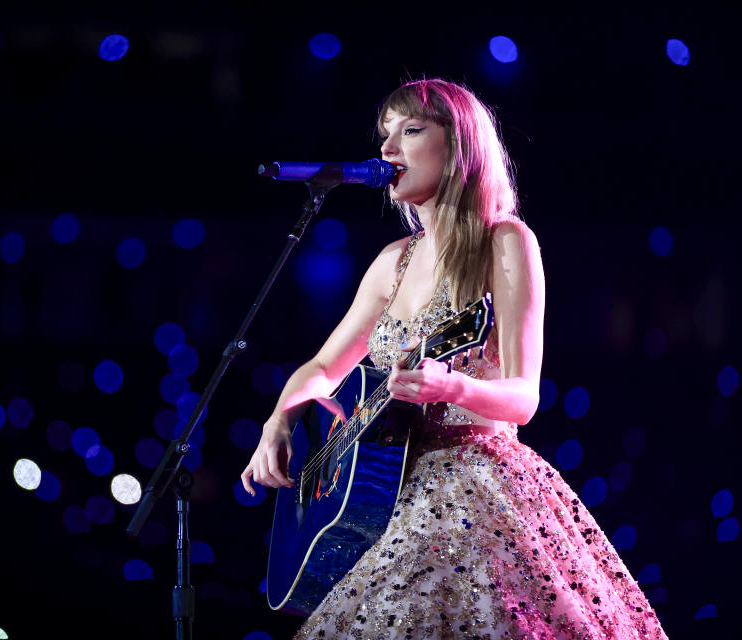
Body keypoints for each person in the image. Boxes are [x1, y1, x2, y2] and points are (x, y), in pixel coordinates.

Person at [241, 79, 668, 639]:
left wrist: (455, 389)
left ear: (460, 145)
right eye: (384, 135)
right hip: (382, 495)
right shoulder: (393, 262)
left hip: (470, 489)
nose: (388, 149)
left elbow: (523, 398)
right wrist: (280, 418)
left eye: (410, 130)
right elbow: (323, 369)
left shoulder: (505, 240)